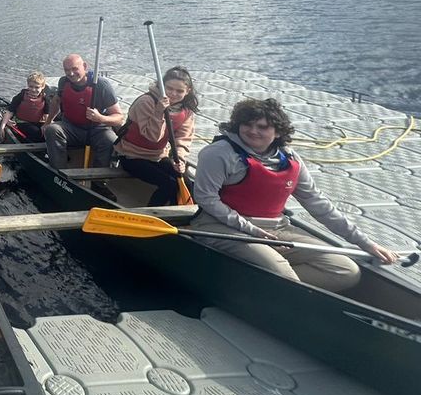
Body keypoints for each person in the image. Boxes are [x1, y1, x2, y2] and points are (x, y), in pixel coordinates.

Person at [192, 98, 400, 291]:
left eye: (262, 127)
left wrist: (365, 243)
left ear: (278, 132)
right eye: (247, 124)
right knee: (283, 276)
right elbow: (206, 198)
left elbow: (317, 203)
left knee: (346, 270)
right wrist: (250, 229)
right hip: (219, 226)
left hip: (276, 229)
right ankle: (280, 284)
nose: (253, 131)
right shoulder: (218, 153)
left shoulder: (291, 158)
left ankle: (257, 284)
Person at [113, 66, 197, 205]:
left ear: (187, 91)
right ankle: (153, 216)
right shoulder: (146, 102)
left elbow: (183, 138)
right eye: (169, 88)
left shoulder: (186, 110)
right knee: (169, 184)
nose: (173, 94)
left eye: (179, 91)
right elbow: (152, 137)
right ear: (162, 86)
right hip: (132, 156)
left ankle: (182, 214)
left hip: (157, 156)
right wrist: (159, 111)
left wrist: (179, 159)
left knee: (185, 181)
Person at [43, 54, 124, 169]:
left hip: (97, 130)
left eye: (74, 69)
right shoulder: (63, 82)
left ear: (84, 66)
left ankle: (99, 179)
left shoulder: (101, 85)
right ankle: (59, 171)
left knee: (111, 140)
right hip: (70, 127)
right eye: (67, 70)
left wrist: (100, 118)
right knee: (52, 130)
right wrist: (48, 122)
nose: (71, 73)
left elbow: (119, 118)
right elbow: (56, 102)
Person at [0, 71, 52, 142]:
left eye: (37, 87)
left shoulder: (45, 99)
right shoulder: (21, 96)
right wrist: (2, 127)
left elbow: (47, 116)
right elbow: (10, 112)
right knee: (36, 132)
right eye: (31, 86)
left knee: (49, 132)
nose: (33, 90)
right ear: (28, 85)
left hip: (37, 122)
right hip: (21, 122)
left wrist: (46, 126)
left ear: (43, 87)